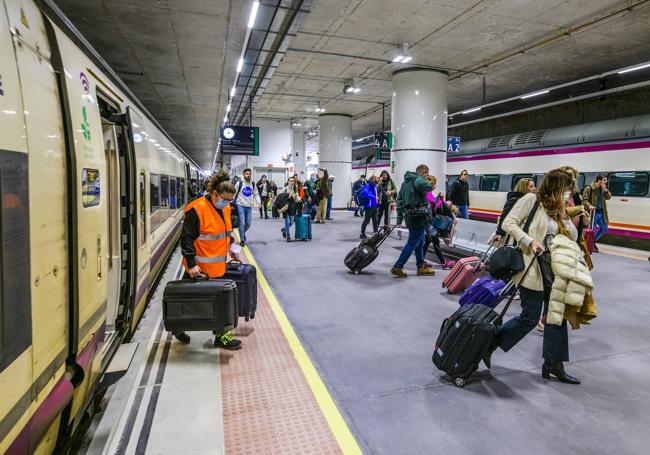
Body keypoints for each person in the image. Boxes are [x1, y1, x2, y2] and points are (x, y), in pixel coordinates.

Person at [485, 169, 581, 384]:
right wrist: (529, 241)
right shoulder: (532, 200)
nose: (569, 193)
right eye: (567, 189)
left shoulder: (559, 209)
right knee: (530, 317)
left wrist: (566, 220)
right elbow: (509, 223)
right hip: (532, 266)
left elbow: (573, 237)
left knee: (556, 317)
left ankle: (554, 364)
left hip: (554, 268)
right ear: (556, 187)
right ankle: (489, 344)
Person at [179, 170, 242, 350]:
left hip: (217, 267)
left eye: (230, 200)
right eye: (225, 199)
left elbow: (223, 233)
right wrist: (191, 265)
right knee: (186, 303)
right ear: (214, 194)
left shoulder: (226, 207)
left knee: (220, 304)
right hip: (198, 269)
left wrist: (231, 248)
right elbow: (186, 238)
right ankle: (177, 328)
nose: (227, 203)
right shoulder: (196, 209)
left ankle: (221, 336)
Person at [391, 164, 436, 277]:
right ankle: (398, 266)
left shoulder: (405, 183)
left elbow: (399, 202)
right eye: (427, 174)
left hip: (409, 217)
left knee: (420, 243)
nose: (427, 176)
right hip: (418, 217)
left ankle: (420, 267)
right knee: (412, 243)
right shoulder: (418, 179)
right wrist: (430, 186)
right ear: (423, 172)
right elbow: (421, 183)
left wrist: (399, 218)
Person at [492, 178, 536, 245]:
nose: (534, 188)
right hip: (510, 234)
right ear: (524, 188)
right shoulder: (514, 200)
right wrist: (500, 233)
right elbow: (504, 216)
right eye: (531, 186)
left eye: (534, 186)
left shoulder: (528, 201)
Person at [423, 189, 456, 270]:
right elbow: (434, 206)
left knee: (426, 244)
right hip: (431, 225)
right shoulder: (428, 193)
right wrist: (440, 198)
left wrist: (439, 198)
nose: (434, 187)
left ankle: (420, 262)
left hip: (428, 224)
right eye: (434, 185)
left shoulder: (426, 193)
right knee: (435, 244)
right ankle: (444, 263)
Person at [582, 174, 611, 251]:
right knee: (593, 229)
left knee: (604, 228)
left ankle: (592, 241)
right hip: (593, 212)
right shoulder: (589, 188)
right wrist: (590, 206)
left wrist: (605, 191)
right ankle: (591, 244)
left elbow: (608, 197)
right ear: (599, 181)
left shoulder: (603, 189)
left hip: (602, 212)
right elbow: (584, 200)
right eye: (604, 180)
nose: (606, 182)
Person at [233, 168, 256, 247]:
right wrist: (231, 203)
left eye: (249, 173)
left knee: (248, 224)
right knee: (242, 223)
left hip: (249, 206)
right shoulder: (239, 183)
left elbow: (255, 193)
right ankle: (242, 240)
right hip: (240, 205)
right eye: (246, 173)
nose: (248, 175)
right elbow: (234, 193)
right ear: (244, 174)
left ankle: (242, 233)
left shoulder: (252, 183)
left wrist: (258, 203)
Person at [280, 177, 301, 242]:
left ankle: (284, 230)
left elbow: (296, 198)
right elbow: (279, 196)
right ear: (288, 182)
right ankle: (288, 236)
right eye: (290, 181)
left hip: (292, 207)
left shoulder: (294, 189)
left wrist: (298, 198)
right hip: (286, 206)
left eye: (293, 181)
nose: (292, 182)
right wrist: (287, 195)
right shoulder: (285, 188)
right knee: (287, 221)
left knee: (292, 222)